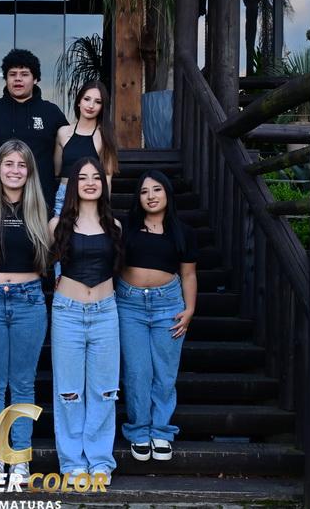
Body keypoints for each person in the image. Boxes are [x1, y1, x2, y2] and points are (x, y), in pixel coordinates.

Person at [0, 139, 51, 483]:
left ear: (29, 171)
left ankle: (19, 457)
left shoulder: (40, 208)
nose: (15, 171)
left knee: (22, 383)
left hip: (29, 300)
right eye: (9, 164)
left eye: (21, 165)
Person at [48, 157, 122, 486]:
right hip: (67, 312)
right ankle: (72, 462)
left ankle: (100, 460)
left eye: (96, 177)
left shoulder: (114, 226)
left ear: (103, 185)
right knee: (68, 391)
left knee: (104, 390)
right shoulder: (57, 225)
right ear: (73, 185)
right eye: (83, 177)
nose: (90, 182)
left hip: (106, 311)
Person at [118, 169, 198, 462]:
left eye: (156, 190)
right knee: (137, 371)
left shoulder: (183, 232)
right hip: (129, 306)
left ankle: (161, 431)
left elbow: (188, 274)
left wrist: (190, 309)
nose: (150, 196)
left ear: (167, 193)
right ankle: (139, 430)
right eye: (144, 191)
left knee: (165, 372)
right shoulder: (125, 228)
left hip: (169, 306)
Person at [0, 49, 68, 206]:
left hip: (40, 200)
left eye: (24, 74)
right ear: (6, 78)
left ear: (35, 79)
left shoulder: (51, 113)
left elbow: (69, 152)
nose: (18, 79)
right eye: (12, 74)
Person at [53, 80, 118, 216]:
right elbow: (57, 171)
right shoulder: (63, 132)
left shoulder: (104, 136)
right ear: (79, 102)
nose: (91, 105)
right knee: (57, 229)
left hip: (90, 199)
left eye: (98, 102)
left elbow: (107, 178)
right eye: (87, 99)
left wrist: (104, 212)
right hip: (64, 196)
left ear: (102, 107)